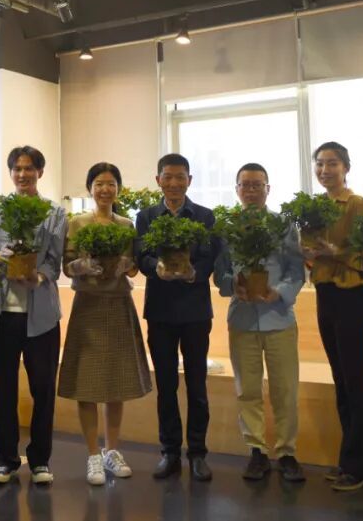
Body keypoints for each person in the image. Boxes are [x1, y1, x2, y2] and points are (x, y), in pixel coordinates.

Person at [59, 162, 152, 486]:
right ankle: (92, 455)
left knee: (117, 381)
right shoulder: (77, 223)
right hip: (88, 306)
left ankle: (112, 450)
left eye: (111, 184)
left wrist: (127, 265)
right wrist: (81, 266)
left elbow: (134, 266)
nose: (105, 189)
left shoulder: (126, 225)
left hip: (118, 304)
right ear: (90, 188)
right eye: (99, 183)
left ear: (118, 189)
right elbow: (66, 266)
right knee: (86, 383)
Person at [213, 163, 306, 483]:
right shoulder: (227, 228)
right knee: (247, 390)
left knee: (285, 389)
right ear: (237, 190)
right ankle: (256, 451)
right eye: (245, 185)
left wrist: (279, 292)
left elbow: (297, 271)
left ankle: (287, 452)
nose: (251, 191)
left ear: (268, 189)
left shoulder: (283, 226)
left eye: (257, 185)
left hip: (279, 318)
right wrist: (232, 285)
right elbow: (220, 273)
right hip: (242, 320)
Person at [0, 145, 68, 485]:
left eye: (29, 168)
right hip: (3, 313)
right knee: (2, 387)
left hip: (41, 315)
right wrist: (0, 257)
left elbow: (55, 260)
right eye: (17, 168)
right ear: (10, 172)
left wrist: (39, 276)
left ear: (40, 172)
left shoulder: (54, 212)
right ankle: (5, 459)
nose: (23, 174)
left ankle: (40, 460)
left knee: (43, 388)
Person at [135, 153, 221, 482]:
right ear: (158, 180)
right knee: (166, 385)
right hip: (160, 311)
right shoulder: (146, 217)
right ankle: (169, 452)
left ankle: (197, 453)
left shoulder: (205, 216)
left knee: (197, 385)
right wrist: (155, 267)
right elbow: (142, 255)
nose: (173, 183)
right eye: (167, 177)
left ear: (189, 180)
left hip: (195, 310)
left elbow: (210, 258)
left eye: (180, 177)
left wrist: (193, 273)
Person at [302, 141, 363, 492]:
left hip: (352, 297)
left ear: (346, 167)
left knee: (356, 382)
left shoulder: (356, 204)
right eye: (320, 163)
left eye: (332, 163)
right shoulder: (315, 207)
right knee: (341, 381)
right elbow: (312, 257)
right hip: (326, 295)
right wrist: (307, 253)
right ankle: (350, 459)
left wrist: (334, 252)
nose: (325, 170)